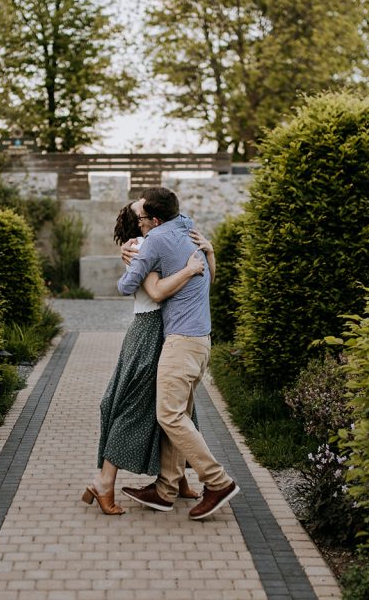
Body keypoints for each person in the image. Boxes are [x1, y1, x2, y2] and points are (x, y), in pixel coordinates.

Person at [116, 187, 239, 520]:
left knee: (168, 415)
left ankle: (218, 481)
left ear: (155, 219)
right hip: (201, 342)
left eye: (142, 218)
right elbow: (205, 277)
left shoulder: (155, 239)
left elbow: (126, 286)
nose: (139, 224)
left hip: (181, 341)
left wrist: (130, 260)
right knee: (178, 413)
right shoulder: (187, 226)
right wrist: (209, 257)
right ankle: (166, 489)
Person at [82, 203, 212, 515]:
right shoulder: (142, 246)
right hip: (150, 330)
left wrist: (208, 251)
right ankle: (104, 481)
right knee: (136, 405)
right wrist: (191, 268)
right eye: (143, 208)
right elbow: (157, 291)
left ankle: (176, 479)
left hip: (163, 329)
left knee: (175, 406)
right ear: (139, 221)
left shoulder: (157, 241)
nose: (152, 210)